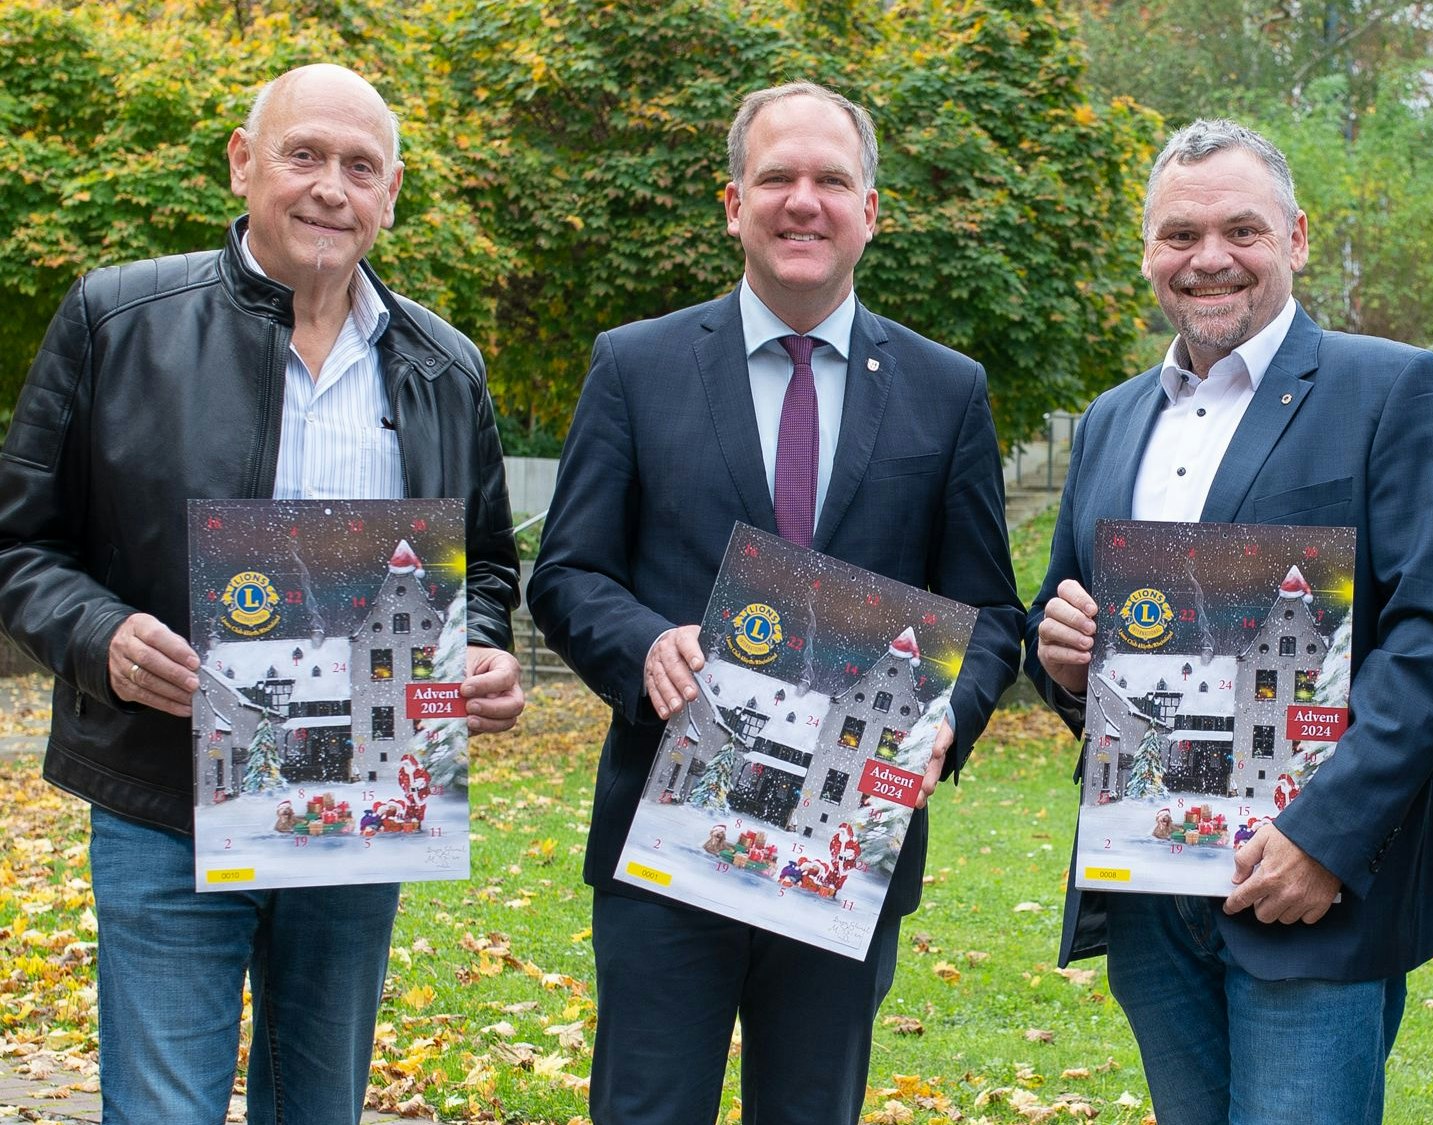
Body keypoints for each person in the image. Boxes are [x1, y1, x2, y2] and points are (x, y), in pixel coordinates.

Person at [0, 64, 524, 1123]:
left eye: (359, 166)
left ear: (391, 192)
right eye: (304, 155)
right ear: (244, 164)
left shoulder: (442, 365)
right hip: (165, 802)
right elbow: (20, 544)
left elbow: (485, 567)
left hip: (363, 813)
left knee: (318, 1108)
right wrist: (99, 637)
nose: (331, 188)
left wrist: (479, 648)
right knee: (162, 1111)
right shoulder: (117, 319)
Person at [526, 81, 1023, 1125]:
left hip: (848, 846)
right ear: (731, 202)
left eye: (831, 180)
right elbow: (567, 572)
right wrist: (641, 645)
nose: (804, 201)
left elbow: (988, 615)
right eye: (777, 178)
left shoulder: (947, 391)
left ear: (871, 211)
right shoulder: (636, 366)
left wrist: (949, 716)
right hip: (666, 838)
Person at [1024, 119, 1433, 1125]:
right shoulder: (1111, 421)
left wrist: (1325, 840)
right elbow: (1076, 621)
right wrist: (1060, 659)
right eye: (1178, 235)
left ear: (1296, 238)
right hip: (1149, 880)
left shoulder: (1393, 388)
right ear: (1146, 251)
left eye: (1240, 229)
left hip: (1312, 884)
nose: (1208, 259)